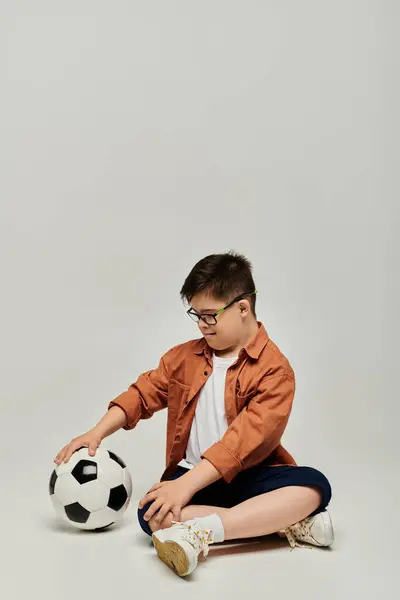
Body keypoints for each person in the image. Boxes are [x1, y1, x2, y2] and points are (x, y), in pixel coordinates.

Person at [54, 251, 333, 577]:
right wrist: (96, 432)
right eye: (196, 314)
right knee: (150, 514)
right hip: (191, 473)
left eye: (210, 315)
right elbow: (142, 394)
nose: (202, 324)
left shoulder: (276, 372)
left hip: (250, 476)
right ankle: (280, 524)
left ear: (243, 308)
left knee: (315, 486)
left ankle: (202, 531)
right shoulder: (183, 358)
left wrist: (185, 488)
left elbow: (240, 443)